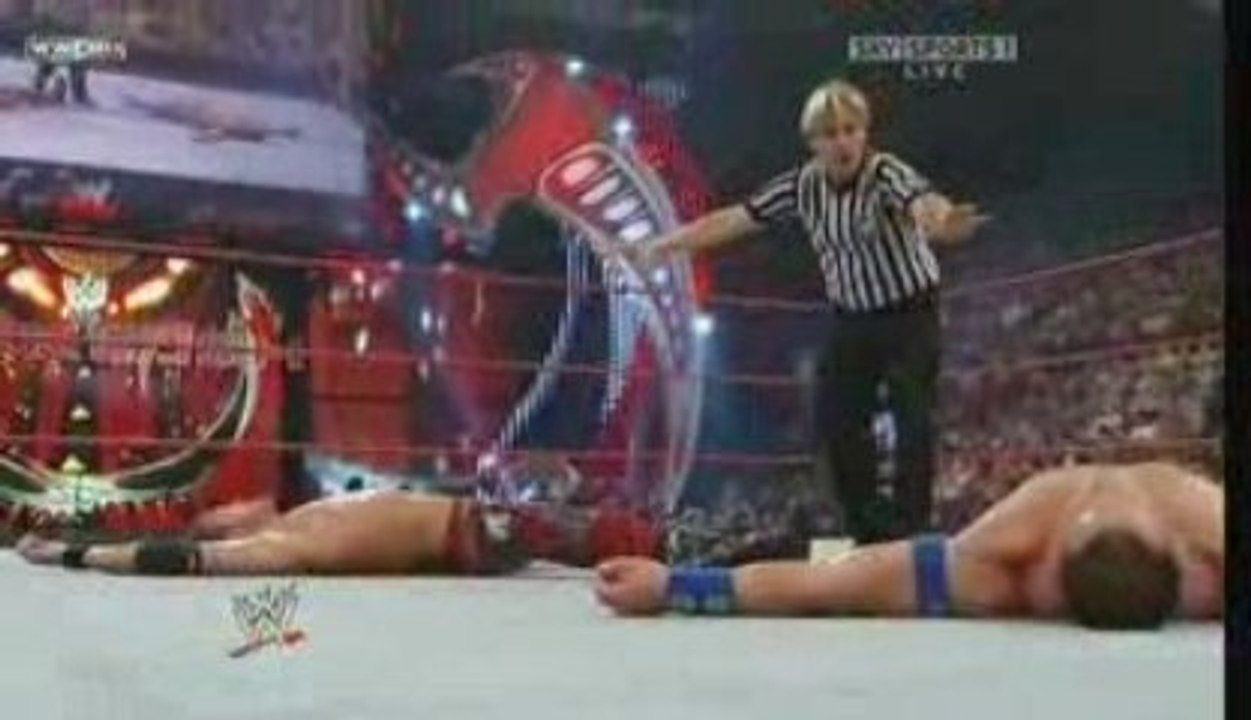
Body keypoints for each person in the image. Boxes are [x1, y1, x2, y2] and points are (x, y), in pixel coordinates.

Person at [629, 79, 987, 544]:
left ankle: (911, 530)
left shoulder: (885, 173)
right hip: (852, 315)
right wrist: (664, 245)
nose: (843, 143)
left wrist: (942, 221)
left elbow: (922, 201)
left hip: (909, 311)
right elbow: (736, 218)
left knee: (912, 414)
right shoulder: (803, 186)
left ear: (865, 132)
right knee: (835, 418)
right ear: (814, 142)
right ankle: (867, 530)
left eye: (851, 130)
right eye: (831, 134)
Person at [594, 462, 1223, 630]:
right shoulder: (1003, 552)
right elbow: (837, 581)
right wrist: (671, 584)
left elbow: (832, 583)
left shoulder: (1208, 528)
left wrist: (676, 585)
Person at [15, 490, 661, 577]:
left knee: (589, 520)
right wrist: (74, 554)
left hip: (472, 515)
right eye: (223, 510)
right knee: (609, 533)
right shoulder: (281, 544)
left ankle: (668, 540)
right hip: (470, 531)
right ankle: (679, 549)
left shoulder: (296, 516)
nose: (237, 502)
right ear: (224, 529)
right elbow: (176, 558)